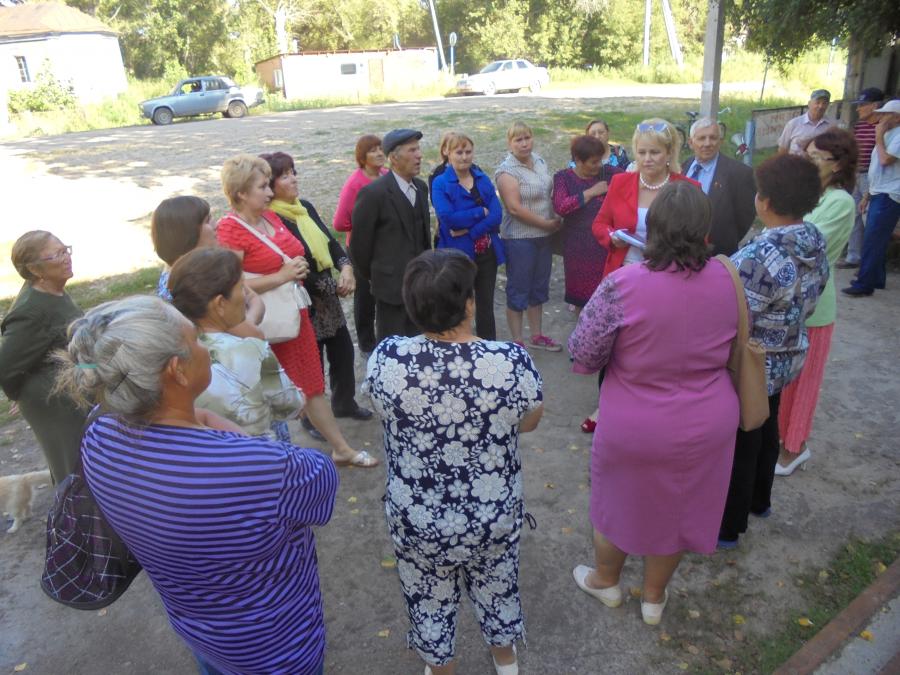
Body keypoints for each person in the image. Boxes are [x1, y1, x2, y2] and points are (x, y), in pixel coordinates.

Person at [56, 295, 338, 675]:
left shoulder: (99, 432)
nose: (205, 347)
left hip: (198, 629)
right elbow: (323, 480)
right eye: (197, 341)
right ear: (178, 370)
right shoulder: (259, 468)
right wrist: (241, 441)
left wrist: (198, 417)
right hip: (276, 646)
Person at [568, 182, 740, 626]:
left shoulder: (621, 284)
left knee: (616, 502)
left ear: (653, 228)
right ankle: (654, 597)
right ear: (705, 229)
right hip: (709, 419)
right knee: (680, 508)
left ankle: (607, 581)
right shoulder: (729, 276)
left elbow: (584, 355)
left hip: (635, 420)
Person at [365, 249, 544, 675]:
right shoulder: (509, 362)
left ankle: (440, 666)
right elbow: (531, 422)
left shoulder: (388, 359)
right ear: (468, 303)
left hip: (418, 519)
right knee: (498, 586)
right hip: (492, 515)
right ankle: (505, 659)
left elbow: (380, 408)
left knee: (428, 598)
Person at [216, 154, 377, 468]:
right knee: (264, 395)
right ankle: (268, 465)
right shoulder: (230, 231)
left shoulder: (271, 217)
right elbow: (232, 286)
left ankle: (341, 448)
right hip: (261, 324)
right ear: (240, 194)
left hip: (294, 316)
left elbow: (297, 251)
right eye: (262, 186)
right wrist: (282, 275)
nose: (269, 192)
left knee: (312, 386)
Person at [719, 154, 829, 549]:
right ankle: (760, 501)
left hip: (754, 363)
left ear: (763, 201)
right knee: (768, 425)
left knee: (743, 438)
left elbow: (732, 314)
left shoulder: (758, 257)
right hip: (789, 354)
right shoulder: (813, 238)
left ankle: (728, 527)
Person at [261, 151, 373, 425]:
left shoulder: (304, 207)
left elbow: (331, 242)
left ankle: (344, 404)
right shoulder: (272, 220)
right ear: (271, 185)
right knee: (312, 365)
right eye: (285, 176)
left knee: (343, 353)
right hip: (303, 299)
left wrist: (346, 267)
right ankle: (312, 420)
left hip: (328, 297)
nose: (294, 179)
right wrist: (328, 286)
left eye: (293, 172)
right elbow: (290, 262)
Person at [776, 129, 857, 475]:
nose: (806, 162)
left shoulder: (840, 202)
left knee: (804, 382)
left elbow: (803, 243)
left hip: (814, 308)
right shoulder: (811, 194)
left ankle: (795, 448)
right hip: (787, 301)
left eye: (814, 158)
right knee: (783, 379)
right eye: (804, 154)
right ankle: (779, 439)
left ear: (837, 165)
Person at [169, 247, 305, 437]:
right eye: (241, 287)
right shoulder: (251, 350)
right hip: (254, 455)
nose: (246, 295)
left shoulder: (170, 353)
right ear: (220, 304)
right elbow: (289, 405)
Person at [0, 231, 85, 483]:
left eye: (65, 249)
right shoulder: (31, 312)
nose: (66, 257)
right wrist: (20, 393)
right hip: (54, 401)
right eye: (57, 254)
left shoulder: (54, 289)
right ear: (35, 270)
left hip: (72, 389)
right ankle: (77, 517)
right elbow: (5, 366)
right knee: (73, 464)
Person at [592, 118, 700, 280]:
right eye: (642, 152)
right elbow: (600, 224)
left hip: (671, 276)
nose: (647, 159)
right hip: (625, 273)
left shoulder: (688, 188)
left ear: (669, 153)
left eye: (655, 152)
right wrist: (612, 236)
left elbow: (699, 240)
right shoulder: (620, 183)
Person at [350, 128, 431, 342]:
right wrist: (380, 275)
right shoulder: (373, 194)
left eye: (418, 149)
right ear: (394, 158)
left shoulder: (421, 189)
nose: (419, 155)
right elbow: (360, 248)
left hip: (420, 288)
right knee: (394, 351)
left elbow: (424, 238)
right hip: (390, 290)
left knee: (421, 349)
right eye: (412, 150)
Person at [150, 195, 265, 339]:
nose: (216, 224)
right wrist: (249, 319)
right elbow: (255, 334)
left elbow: (253, 298)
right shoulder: (199, 279)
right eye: (207, 220)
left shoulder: (174, 269)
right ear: (188, 232)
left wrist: (247, 319)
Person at [495, 120, 563, 350]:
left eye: (527, 138)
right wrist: (545, 224)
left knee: (538, 287)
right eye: (518, 139)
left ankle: (537, 336)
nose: (524, 144)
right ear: (510, 143)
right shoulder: (506, 171)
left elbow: (550, 192)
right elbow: (514, 208)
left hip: (544, 236)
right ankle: (517, 341)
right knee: (518, 288)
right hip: (520, 238)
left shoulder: (540, 161)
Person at [431, 132, 505, 340]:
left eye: (468, 151)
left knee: (485, 305)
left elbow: (497, 215)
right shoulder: (440, 183)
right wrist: (480, 213)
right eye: (459, 152)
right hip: (457, 256)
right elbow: (448, 218)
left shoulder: (482, 178)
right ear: (449, 153)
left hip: (486, 252)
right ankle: (456, 345)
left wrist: (471, 230)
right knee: (458, 304)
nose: (464, 157)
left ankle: (487, 347)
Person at [553, 134, 622, 312]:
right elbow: (561, 206)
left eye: (600, 160)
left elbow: (632, 179)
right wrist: (591, 192)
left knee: (606, 296)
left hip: (603, 246)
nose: (598, 165)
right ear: (578, 160)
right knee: (580, 300)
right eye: (593, 162)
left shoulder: (609, 173)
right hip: (577, 248)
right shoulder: (563, 178)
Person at [333, 134, 388, 353]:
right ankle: (366, 344)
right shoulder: (355, 183)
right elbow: (339, 222)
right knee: (365, 297)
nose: (380, 153)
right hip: (362, 249)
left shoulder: (386, 175)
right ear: (362, 157)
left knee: (384, 292)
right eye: (373, 150)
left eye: (381, 149)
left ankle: (385, 337)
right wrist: (365, 226)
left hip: (385, 247)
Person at [842, 99, 900, 298]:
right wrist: (867, 195)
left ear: (897, 117)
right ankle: (876, 277)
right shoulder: (887, 134)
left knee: (873, 237)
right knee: (878, 237)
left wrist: (878, 137)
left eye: (886, 115)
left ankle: (864, 283)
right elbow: (877, 170)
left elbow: (885, 160)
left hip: (890, 193)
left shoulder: (896, 136)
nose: (881, 118)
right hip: (879, 190)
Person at [682, 117, 757, 255]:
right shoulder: (682, 168)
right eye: (701, 138)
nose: (707, 143)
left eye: (713, 138)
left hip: (718, 254)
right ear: (691, 142)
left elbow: (745, 217)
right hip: (681, 251)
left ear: (721, 141)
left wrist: (725, 240)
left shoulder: (739, 174)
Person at [838, 88, 884, 269]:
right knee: (855, 215)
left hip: (871, 176)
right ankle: (853, 256)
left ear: (875, 106)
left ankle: (869, 262)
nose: (859, 109)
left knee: (868, 218)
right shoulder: (860, 126)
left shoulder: (882, 128)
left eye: (863, 105)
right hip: (856, 175)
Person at [778, 89, 833, 156]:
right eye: (817, 102)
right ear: (809, 104)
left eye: (824, 103)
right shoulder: (793, 124)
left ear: (828, 106)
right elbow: (783, 149)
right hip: (796, 164)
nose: (820, 106)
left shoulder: (831, 126)